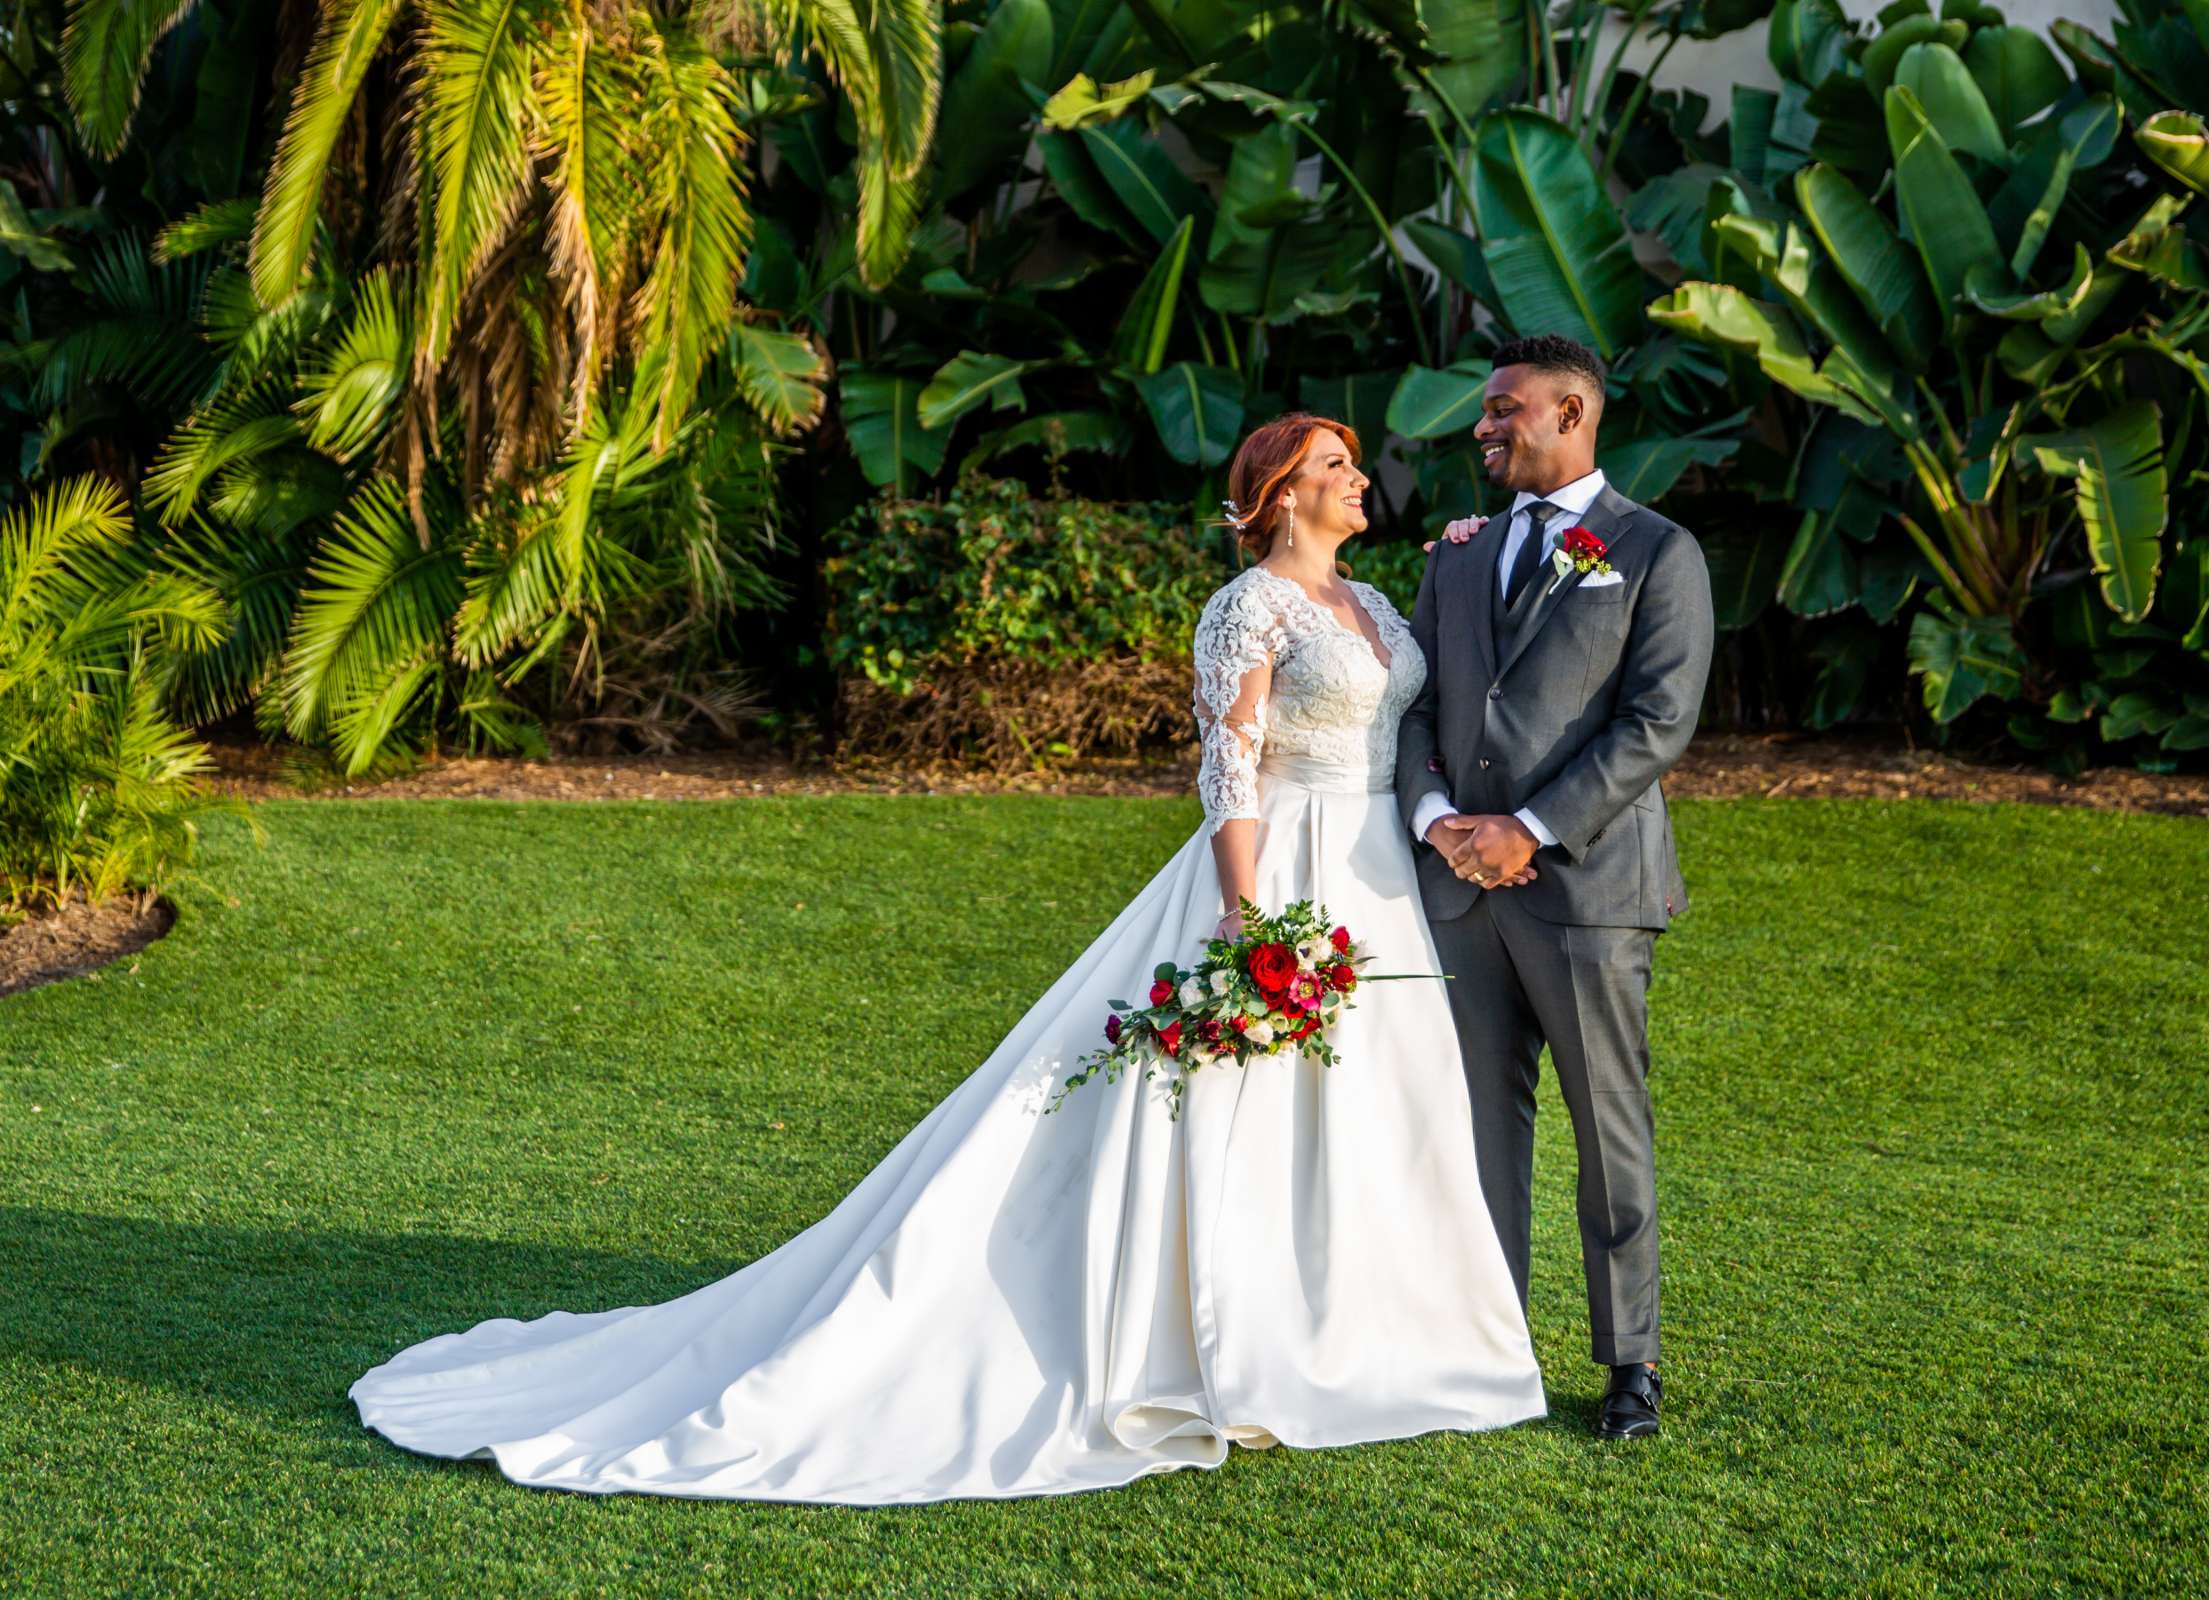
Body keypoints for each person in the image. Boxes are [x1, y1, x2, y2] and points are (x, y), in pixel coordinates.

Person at [348, 412, 1547, 1506]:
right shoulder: (1250, 607)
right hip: (1280, 867)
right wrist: (1245, 913)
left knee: (1371, 1107)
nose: (1356, 479)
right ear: (1282, 496)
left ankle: (1372, 1331)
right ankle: (1232, 1336)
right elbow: (1229, 764)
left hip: (1378, 874)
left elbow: (1419, 713)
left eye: (1349, 466)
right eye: (1334, 467)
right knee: (1230, 1104)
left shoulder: (1378, 604)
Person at [1397, 333, 1714, 1442]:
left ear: (1571, 409)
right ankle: (1486, 1347)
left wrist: (1529, 830)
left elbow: (1658, 724)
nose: (1483, 425)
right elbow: (1417, 712)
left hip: (1587, 890)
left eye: (1504, 408)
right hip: (1463, 893)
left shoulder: (1656, 550)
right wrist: (1440, 822)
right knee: (1479, 1126)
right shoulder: (1457, 553)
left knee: (1607, 1127)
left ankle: (1631, 1364)